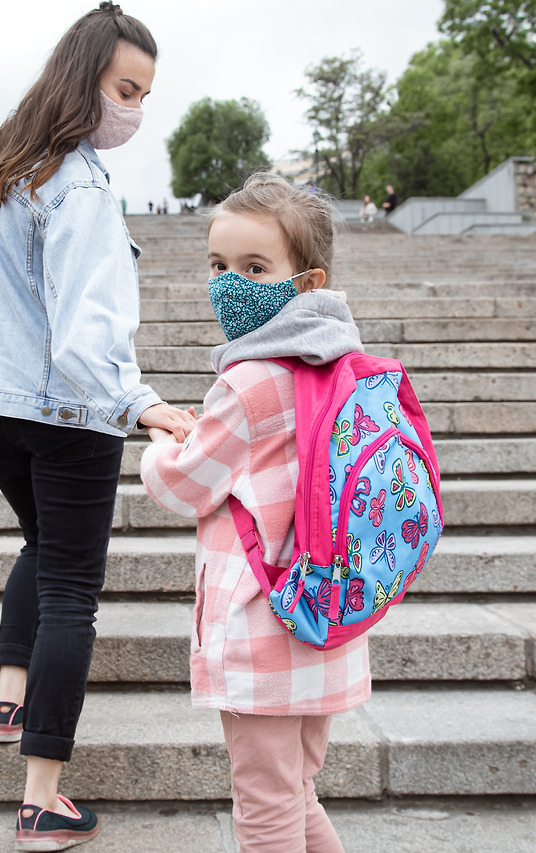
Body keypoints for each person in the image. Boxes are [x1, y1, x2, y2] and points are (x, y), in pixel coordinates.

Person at [0, 4, 196, 849]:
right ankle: (41, 798)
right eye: (126, 89)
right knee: (70, 593)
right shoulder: (80, 184)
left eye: (144, 94)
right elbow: (86, 334)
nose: (134, 109)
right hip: (67, 412)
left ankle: (10, 696)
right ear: (83, 78)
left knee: (42, 545)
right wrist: (142, 403)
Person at [140, 173, 369, 853]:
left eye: (255, 268)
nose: (230, 283)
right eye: (219, 265)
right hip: (327, 620)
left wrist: (160, 444)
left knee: (265, 806)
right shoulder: (343, 368)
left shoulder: (247, 382)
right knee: (295, 792)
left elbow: (183, 486)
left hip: (263, 627)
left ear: (307, 280)